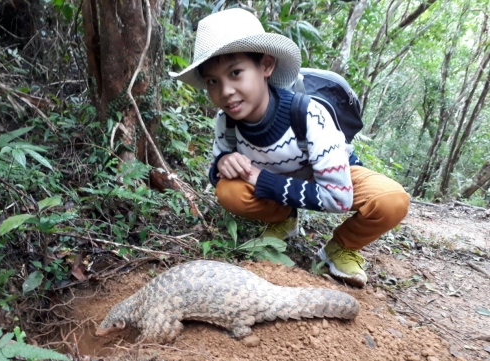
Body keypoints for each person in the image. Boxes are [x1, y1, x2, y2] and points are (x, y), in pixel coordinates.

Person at [169, 8, 410, 287]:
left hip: (333, 178)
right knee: (228, 190)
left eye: (235, 73)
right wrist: (222, 163)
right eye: (213, 81)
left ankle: (341, 246)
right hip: (283, 181)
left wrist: (263, 180)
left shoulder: (309, 114)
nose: (225, 91)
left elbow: (338, 199)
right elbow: (217, 166)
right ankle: (285, 219)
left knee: (392, 200)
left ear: (266, 66)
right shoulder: (227, 122)